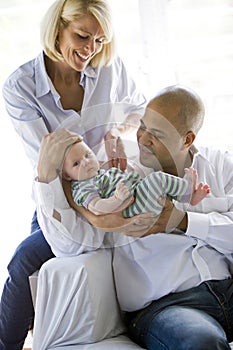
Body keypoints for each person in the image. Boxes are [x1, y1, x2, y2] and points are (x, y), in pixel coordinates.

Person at [34, 85, 233, 349]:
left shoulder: (219, 165)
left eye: (157, 134)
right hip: (167, 305)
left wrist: (184, 221)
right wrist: (45, 178)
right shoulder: (117, 177)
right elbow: (70, 245)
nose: (143, 139)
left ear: (187, 139)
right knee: (202, 343)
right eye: (142, 127)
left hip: (227, 286)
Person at [0, 0, 149, 348]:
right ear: (57, 28)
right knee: (26, 261)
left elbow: (140, 109)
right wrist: (95, 214)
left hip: (104, 190)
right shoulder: (20, 87)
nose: (90, 50)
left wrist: (117, 132)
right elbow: (49, 167)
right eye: (82, 36)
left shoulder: (109, 68)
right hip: (60, 195)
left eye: (99, 41)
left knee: (38, 261)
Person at [61, 132, 210, 217]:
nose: (86, 162)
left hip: (137, 195)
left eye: (88, 155)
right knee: (157, 178)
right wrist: (116, 199)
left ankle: (186, 197)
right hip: (131, 208)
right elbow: (96, 207)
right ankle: (188, 191)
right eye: (76, 163)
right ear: (67, 176)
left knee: (162, 188)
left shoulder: (98, 172)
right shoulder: (82, 188)